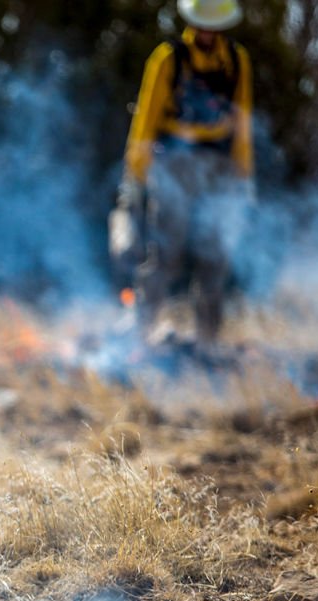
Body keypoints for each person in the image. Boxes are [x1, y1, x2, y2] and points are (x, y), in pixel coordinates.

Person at [116, 0, 253, 347]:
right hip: (173, 167)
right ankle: (140, 337)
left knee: (214, 258)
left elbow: (242, 124)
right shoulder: (167, 58)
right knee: (165, 253)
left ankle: (208, 343)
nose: (207, 30)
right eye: (201, 22)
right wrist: (135, 175)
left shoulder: (237, 61)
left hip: (220, 170)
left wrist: (245, 179)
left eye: (213, 24)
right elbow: (145, 118)